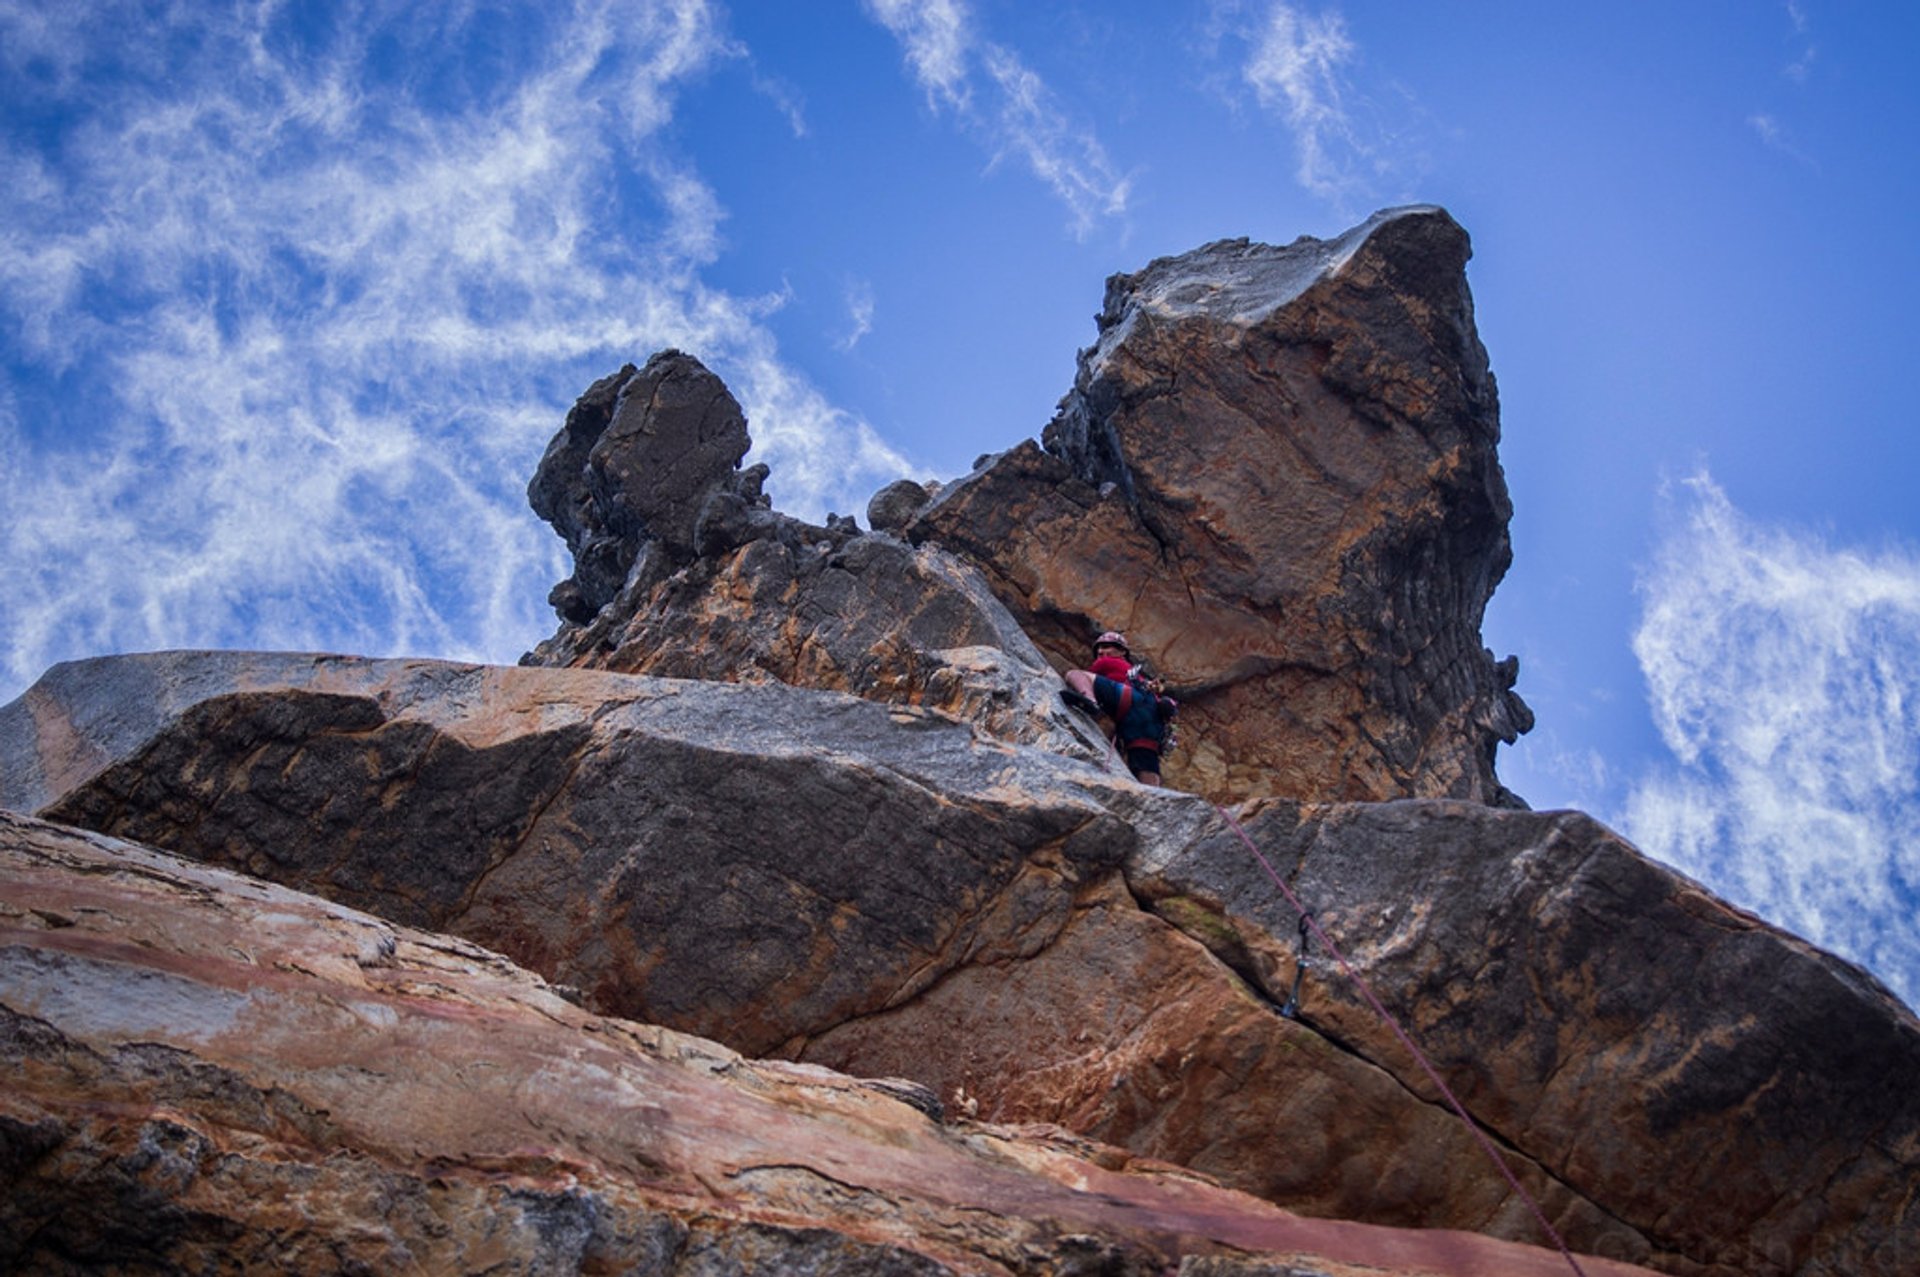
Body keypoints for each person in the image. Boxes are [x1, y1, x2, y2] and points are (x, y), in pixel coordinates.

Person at [1060, 630, 1173, 787]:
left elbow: (1089, 678)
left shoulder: (1106, 663)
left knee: (1075, 674)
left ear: (1121, 652)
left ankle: (1089, 700)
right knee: (1145, 764)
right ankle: (1156, 800)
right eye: (1099, 649)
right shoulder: (1137, 677)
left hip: (1126, 698)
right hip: (1152, 718)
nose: (1100, 651)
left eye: (1106, 646)